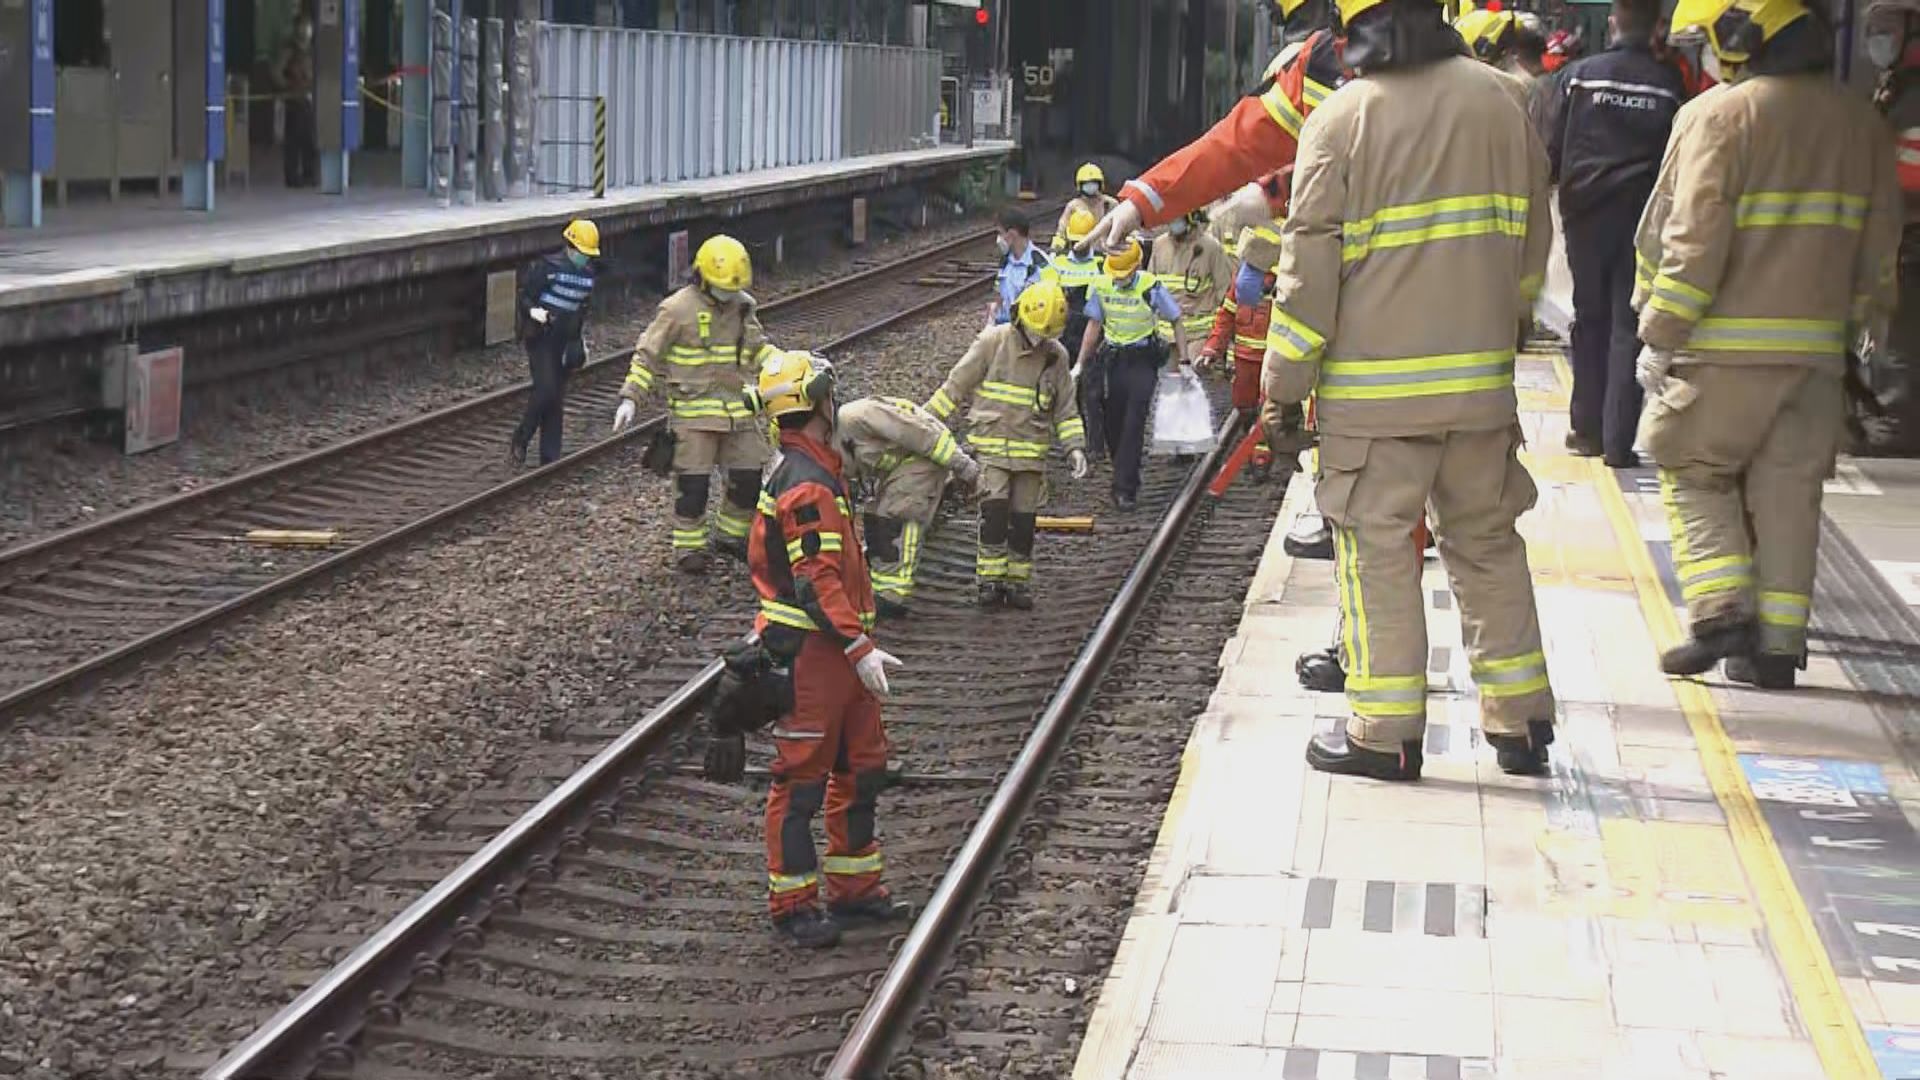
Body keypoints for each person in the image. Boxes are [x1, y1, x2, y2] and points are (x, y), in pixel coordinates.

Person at [1261, 0, 1557, 781]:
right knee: (1489, 543)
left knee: (1379, 553)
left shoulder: (1342, 120)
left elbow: (1307, 274)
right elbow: (1533, 245)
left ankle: (1384, 732)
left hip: (1376, 402)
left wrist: (1284, 385)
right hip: (1481, 391)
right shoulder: (1504, 101)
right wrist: (1506, 320)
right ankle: (1521, 722)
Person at [1636, 0, 1899, 688]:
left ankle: (1722, 612)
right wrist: (1868, 321)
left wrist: (1660, 332)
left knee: (1689, 466)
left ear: (1746, 38)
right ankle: (1777, 648)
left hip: (1722, 352)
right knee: (1789, 494)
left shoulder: (1724, 115)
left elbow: (1691, 240)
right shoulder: (1860, 122)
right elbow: (1881, 243)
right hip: (1816, 356)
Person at [747, 350, 909, 949]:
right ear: (818, 403)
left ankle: (855, 889)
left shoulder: (814, 468)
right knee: (803, 779)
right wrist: (859, 644)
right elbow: (815, 577)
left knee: (861, 768)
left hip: (833, 651)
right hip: (815, 654)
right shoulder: (806, 482)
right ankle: (793, 905)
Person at [1077, 0, 1346, 251]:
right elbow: (1235, 146)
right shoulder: (1317, 61)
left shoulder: (1322, 60)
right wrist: (1140, 204)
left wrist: (1273, 193)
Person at [1545, 0, 1687, 468]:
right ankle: (1618, 442)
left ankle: (1585, 430)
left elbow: (1550, 144)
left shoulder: (1579, 75)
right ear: (1655, 28)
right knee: (1629, 321)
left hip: (1585, 214)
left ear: (1612, 24)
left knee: (1589, 318)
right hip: (1643, 219)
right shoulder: (1670, 85)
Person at [614, 235, 778, 574]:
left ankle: (731, 536)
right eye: (722, 288)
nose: (728, 295)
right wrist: (631, 397)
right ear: (702, 277)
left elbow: (757, 347)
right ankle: (689, 550)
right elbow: (648, 356)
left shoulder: (743, 305)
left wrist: (781, 363)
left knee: (748, 479)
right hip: (694, 416)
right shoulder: (676, 310)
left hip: (738, 413)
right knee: (692, 488)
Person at [928, 281, 1089, 608]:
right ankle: (989, 581)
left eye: (1047, 335)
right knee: (994, 513)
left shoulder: (1056, 357)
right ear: (1019, 317)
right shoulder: (992, 343)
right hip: (992, 448)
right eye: (1035, 332)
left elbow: (1066, 409)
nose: (1040, 339)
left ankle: (1017, 582)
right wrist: (925, 423)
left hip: (1031, 454)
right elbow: (956, 385)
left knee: (1024, 521)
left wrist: (1075, 447)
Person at [836, 396, 982, 619]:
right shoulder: (826, 438)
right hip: (897, 466)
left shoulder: (856, 418)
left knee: (901, 514)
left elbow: (920, 434)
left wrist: (965, 468)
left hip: (924, 455)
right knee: (876, 516)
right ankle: (881, 585)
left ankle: (894, 595)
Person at [1075, 238, 1188, 512]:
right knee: (1113, 423)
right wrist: (1080, 363)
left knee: (1134, 422)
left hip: (1142, 362)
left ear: (1137, 266)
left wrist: (1184, 359)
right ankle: (1124, 469)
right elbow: (1094, 325)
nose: (1120, 280)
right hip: (1113, 360)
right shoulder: (1101, 285)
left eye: (1125, 275)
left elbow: (1176, 319)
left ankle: (1124, 488)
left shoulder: (1150, 286)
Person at [511, 219, 599, 467]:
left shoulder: (588, 276)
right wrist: (533, 312)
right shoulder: (547, 268)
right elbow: (525, 296)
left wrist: (579, 341)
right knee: (546, 389)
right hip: (541, 336)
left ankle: (550, 456)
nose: (585, 259)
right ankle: (521, 437)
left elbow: (581, 309)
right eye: (583, 253)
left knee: (556, 396)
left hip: (565, 339)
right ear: (570, 247)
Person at [1044, 210, 1111, 459]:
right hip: (1064, 333)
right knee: (1063, 390)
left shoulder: (1102, 264)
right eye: (1075, 242)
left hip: (1093, 333)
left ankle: (1095, 446)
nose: (1079, 246)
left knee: (1093, 392)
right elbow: (1048, 295)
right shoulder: (1059, 263)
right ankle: (1069, 441)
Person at [1149, 210, 1237, 364]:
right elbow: (1151, 287)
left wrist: (1216, 336)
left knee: (1193, 381)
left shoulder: (1210, 247)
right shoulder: (1159, 244)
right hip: (1166, 335)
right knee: (1168, 384)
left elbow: (1225, 291)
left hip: (1197, 334)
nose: (1173, 223)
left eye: (1178, 218)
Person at [989, 209, 1052, 326]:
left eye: (1000, 233)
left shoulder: (1041, 264)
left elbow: (1050, 307)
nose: (998, 238)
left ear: (1012, 234)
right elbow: (999, 296)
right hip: (1005, 328)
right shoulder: (1005, 261)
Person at [278, 15, 317, 188]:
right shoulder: (290, 50)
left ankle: (309, 173)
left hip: (308, 98)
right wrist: (287, 85)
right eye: (303, 27)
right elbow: (276, 70)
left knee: (309, 138)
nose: (306, 30)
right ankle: (292, 176)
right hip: (294, 99)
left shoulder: (310, 50)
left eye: (308, 27)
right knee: (293, 140)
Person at [1054, 163, 1120, 251]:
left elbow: (1123, 226)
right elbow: (1061, 231)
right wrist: (1056, 247)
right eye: (1086, 183)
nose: (1090, 186)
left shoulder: (1110, 203)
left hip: (1107, 252)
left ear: (1100, 184)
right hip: (1081, 252)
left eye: (1093, 182)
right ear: (1080, 185)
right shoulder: (1073, 206)